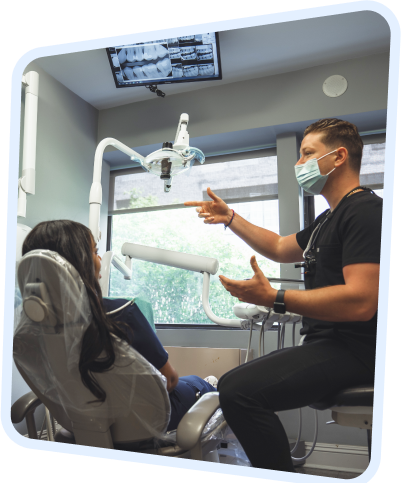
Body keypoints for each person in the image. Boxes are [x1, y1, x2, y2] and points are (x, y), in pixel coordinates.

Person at [184, 118, 382, 472]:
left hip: (356, 350)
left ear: (338, 157)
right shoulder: (328, 219)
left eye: (307, 153)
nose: (298, 164)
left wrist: (275, 297)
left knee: (238, 391)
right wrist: (231, 217)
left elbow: (361, 301)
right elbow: (278, 246)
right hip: (327, 345)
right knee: (232, 384)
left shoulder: (365, 211)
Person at [21, 220, 216, 433]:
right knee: (199, 384)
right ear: (79, 262)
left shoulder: (29, 333)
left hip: (81, 423)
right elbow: (169, 380)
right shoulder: (122, 312)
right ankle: (208, 385)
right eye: (94, 252)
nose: (99, 260)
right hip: (149, 422)